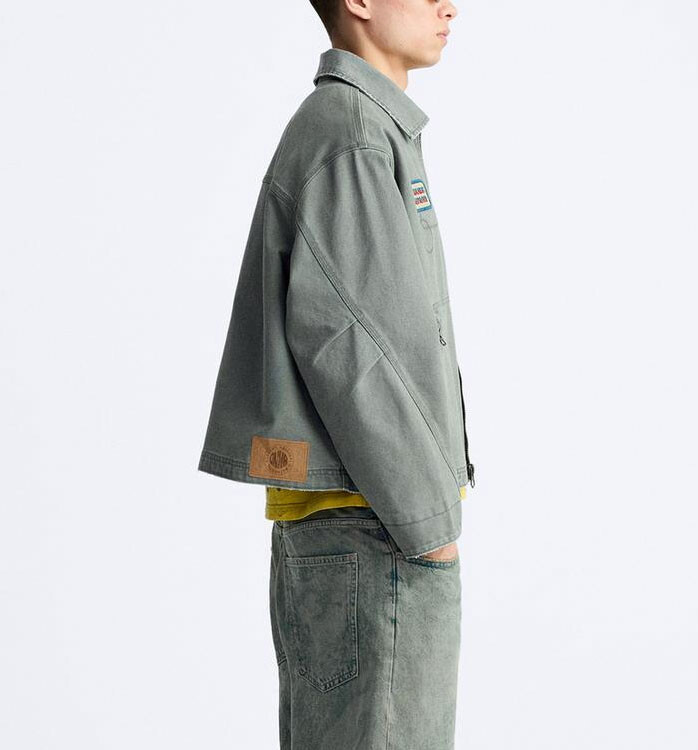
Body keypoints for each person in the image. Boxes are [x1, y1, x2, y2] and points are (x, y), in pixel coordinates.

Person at [198, 0, 474, 746]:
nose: (449, 5)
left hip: (359, 527)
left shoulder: (365, 128)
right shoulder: (352, 134)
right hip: (375, 531)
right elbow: (346, 341)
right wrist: (430, 529)